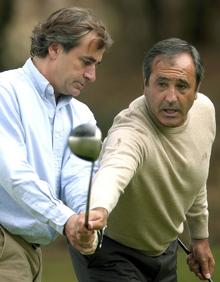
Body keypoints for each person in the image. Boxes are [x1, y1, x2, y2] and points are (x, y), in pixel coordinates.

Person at [69, 38, 216, 282]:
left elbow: (195, 171)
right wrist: (96, 211)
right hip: (110, 251)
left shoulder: (204, 112)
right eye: (162, 84)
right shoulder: (130, 132)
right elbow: (113, 172)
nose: (171, 97)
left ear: (197, 89)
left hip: (163, 250)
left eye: (182, 86)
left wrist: (200, 237)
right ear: (145, 84)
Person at [0, 6, 112, 282]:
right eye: (85, 61)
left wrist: (85, 222)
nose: (91, 75)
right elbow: (14, 173)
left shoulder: (82, 116)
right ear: (54, 49)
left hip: (33, 252)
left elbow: (78, 178)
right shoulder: (5, 91)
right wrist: (66, 221)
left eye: (96, 64)